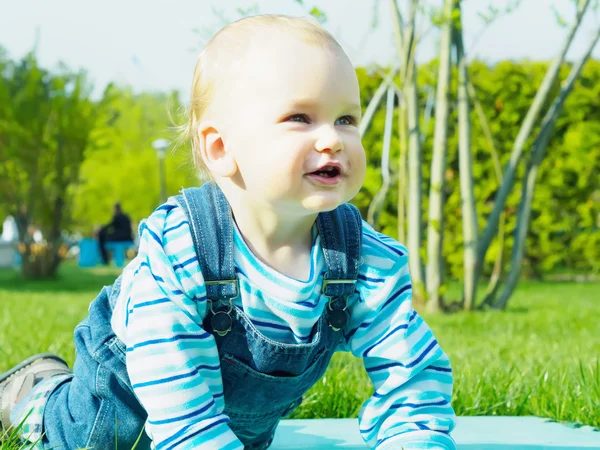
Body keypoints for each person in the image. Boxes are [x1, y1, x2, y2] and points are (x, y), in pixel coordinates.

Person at [0, 15, 456, 450]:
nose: (332, 139)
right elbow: (172, 369)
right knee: (69, 437)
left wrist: (415, 437)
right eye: (300, 118)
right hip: (117, 408)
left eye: (346, 119)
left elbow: (411, 371)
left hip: (230, 432)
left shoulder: (362, 260)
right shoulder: (181, 244)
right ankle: (34, 392)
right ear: (221, 149)